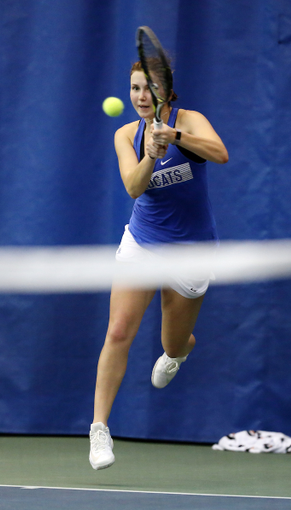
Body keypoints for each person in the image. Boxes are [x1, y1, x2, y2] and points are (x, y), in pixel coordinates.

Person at [89, 60, 229, 470]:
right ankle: (99, 429)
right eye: (135, 88)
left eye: (149, 88)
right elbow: (134, 187)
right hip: (142, 243)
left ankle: (179, 349)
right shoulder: (124, 135)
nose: (140, 96)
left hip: (192, 252)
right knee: (118, 331)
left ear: (167, 91)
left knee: (173, 342)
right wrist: (151, 153)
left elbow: (220, 154)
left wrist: (176, 137)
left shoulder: (190, 120)